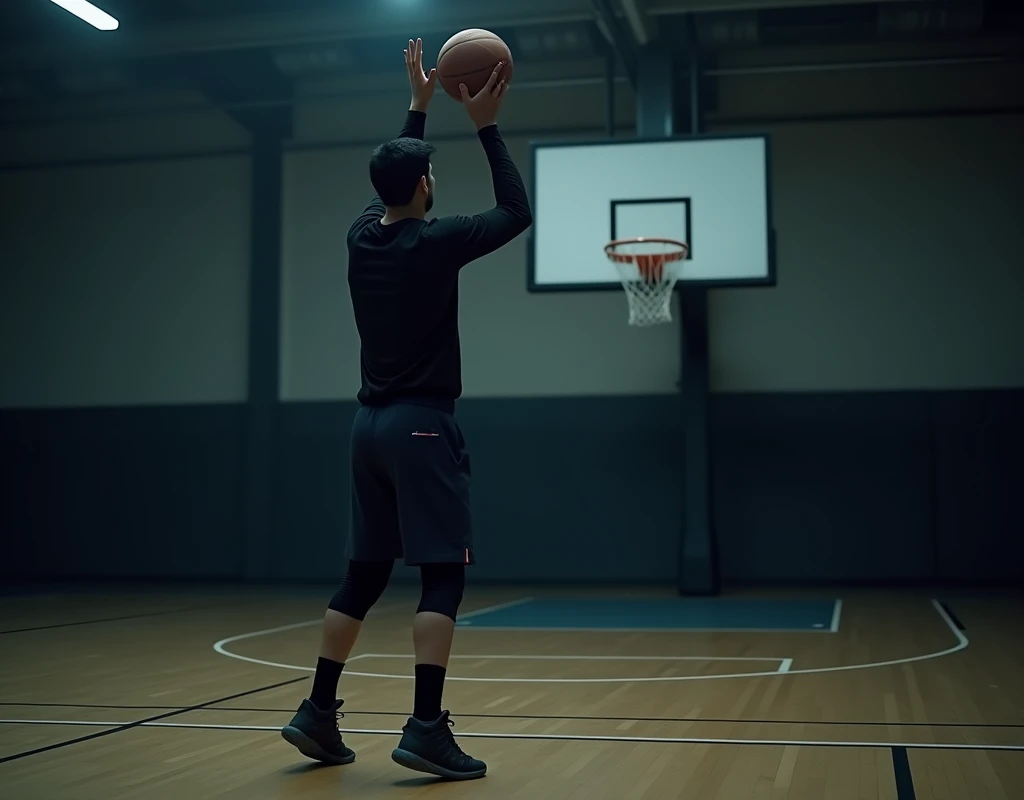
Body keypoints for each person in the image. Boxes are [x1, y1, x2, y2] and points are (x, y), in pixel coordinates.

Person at [280, 38, 532, 781]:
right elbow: (516, 211)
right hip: (423, 426)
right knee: (441, 577)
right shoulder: (438, 242)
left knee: (362, 574)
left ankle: (317, 712)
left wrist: (420, 104)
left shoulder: (363, 238)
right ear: (424, 186)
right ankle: (425, 727)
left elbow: (396, 167)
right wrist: (484, 123)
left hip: (368, 430)